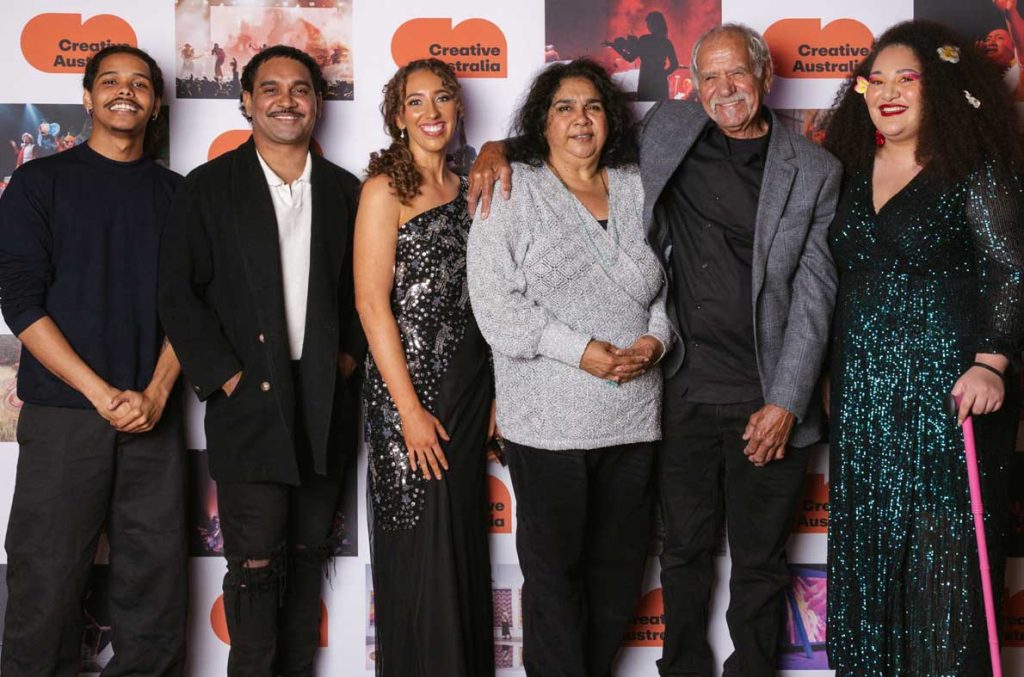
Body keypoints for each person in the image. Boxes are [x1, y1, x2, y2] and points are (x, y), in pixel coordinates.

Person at [468, 23, 841, 676]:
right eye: (710, 77)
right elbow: (570, 137)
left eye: (738, 75)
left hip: (760, 399)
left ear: (765, 78)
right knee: (681, 557)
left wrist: (786, 399)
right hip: (682, 397)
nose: (725, 90)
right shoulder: (669, 132)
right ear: (692, 86)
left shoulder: (813, 170)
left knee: (757, 562)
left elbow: (815, 295)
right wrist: (496, 147)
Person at [823, 20, 1024, 675]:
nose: (887, 91)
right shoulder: (845, 171)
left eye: (905, 78)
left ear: (937, 86)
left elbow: (1010, 270)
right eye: (875, 79)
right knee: (871, 555)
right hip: (864, 404)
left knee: (946, 572)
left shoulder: (973, 168)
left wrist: (991, 361)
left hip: (952, 399)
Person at [158, 44, 364, 675]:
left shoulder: (345, 191)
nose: (285, 100)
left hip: (324, 401)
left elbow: (366, 291)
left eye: (299, 89)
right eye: (269, 89)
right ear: (246, 102)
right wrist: (225, 376)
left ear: (318, 103)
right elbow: (176, 294)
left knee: (306, 557)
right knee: (253, 566)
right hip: (247, 402)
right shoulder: (208, 187)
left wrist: (347, 360)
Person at [467, 58, 673, 677]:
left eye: (592, 106)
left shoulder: (639, 186)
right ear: (542, 121)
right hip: (547, 421)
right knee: (554, 579)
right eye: (564, 107)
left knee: (617, 579)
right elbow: (495, 303)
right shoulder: (511, 187)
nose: (580, 119)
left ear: (610, 118)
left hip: (634, 417)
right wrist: (579, 349)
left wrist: (656, 342)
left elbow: (671, 288)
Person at [0, 45, 187, 675]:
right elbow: (20, 305)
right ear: (87, 97)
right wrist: (98, 393)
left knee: (155, 597)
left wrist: (157, 394)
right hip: (63, 417)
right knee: (44, 587)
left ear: (156, 102)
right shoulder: (37, 183)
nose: (125, 92)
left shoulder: (177, 196)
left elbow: (193, 310)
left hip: (151, 421)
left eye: (140, 83)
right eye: (110, 81)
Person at [355, 57, 494, 677]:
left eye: (442, 99)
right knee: (418, 547)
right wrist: (408, 410)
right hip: (403, 393)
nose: (431, 112)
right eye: (416, 102)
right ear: (396, 116)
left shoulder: (470, 188)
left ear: (458, 109)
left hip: (467, 388)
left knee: (458, 544)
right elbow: (369, 301)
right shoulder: (385, 189)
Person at [605, 10, 680, 101]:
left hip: (646, 81)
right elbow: (675, 64)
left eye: (648, 23)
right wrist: (663, 74)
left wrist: (615, 47)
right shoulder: (666, 42)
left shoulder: (644, 40)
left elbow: (630, 58)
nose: (647, 26)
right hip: (661, 83)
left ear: (652, 24)